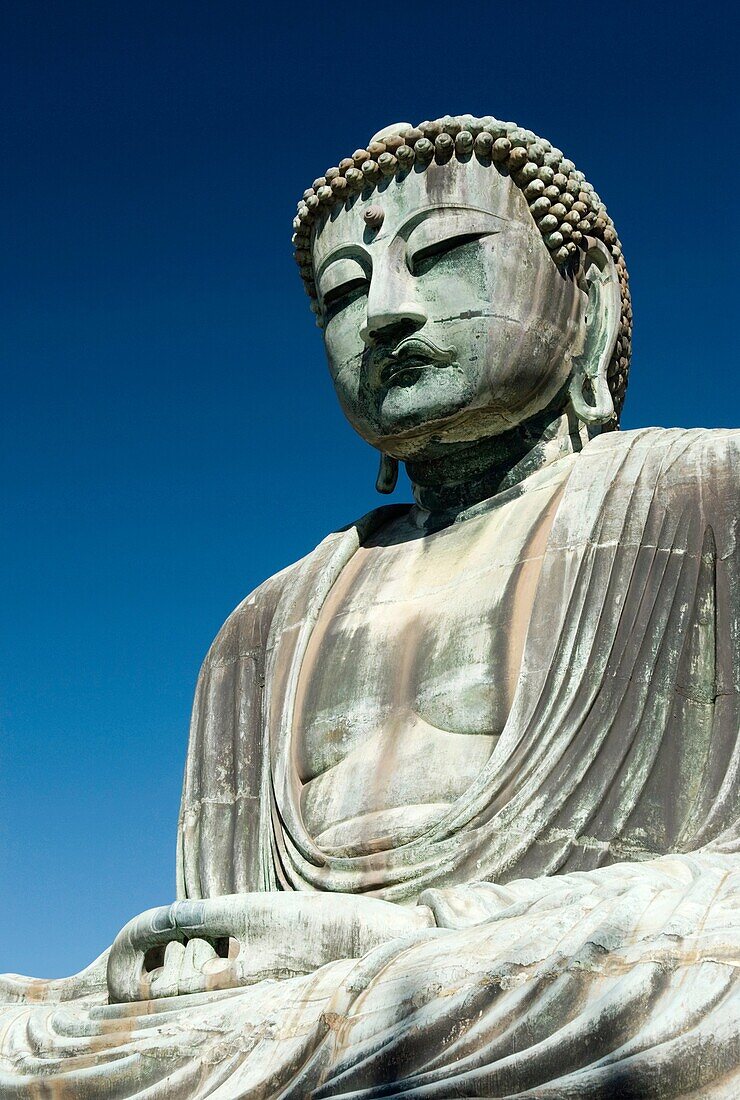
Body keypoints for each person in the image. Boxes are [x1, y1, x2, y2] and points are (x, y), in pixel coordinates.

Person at [2, 115, 738, 1099]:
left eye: (440, 257)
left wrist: (417, 933)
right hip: (298, 1008)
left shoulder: (705, 499)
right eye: (343, 293)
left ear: (591, 307)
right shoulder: (261, 628)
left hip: (540, 977)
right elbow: (219, 944)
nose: (384, 314)